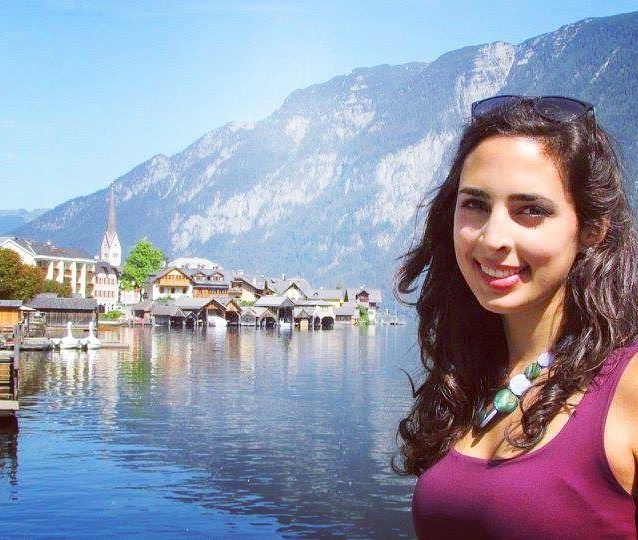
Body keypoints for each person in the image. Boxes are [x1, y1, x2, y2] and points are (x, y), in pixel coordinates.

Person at [394, 95, 638, 538]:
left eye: (531, 210)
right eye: (475, 205)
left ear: (590, 230)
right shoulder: (471, 379)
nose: (492, 238)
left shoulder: (629, 384)